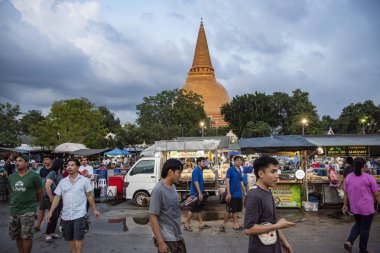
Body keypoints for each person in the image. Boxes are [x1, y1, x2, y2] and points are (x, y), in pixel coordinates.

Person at [46, 158, 100, 253]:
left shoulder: (84, 181)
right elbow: (57, 197)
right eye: (68, 165)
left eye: (72, 165)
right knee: (69, 238)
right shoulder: (63, 182)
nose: (69, 167)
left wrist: (95, 210)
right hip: (66, 215)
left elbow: (89, 196)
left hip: (79, 214)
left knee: (78, 238)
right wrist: (50, 212)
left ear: (78, 167)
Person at [244, 156, 295, 253]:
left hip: (274, 247)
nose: (277, 175)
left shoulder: (267, 191)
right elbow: (248, 229)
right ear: (261, 174)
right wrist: (278, 226)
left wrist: (284, 242)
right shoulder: (254, 195)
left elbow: (273, 222)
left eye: (277, 171)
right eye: (273, 172)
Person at [342, 157, 380, 253]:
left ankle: (349, 241)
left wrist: (345, 205)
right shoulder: (369, 177)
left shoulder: (348, 177)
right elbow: (377, 194)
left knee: (358, 224)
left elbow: (346, 193)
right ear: (363, 166)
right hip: (367, 208)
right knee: (365, 229)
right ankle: (362, 250)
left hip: (355, 208)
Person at [149, 158, 187, 253]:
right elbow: (152, 216)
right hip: (167, 238)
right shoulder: (158, 190)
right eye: (178, 173)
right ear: (170, 172)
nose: (180, 176)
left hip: (177, 234)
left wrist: (185, 203)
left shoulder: (173, 186)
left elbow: (173, 206)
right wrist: (161, 243)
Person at [7, 154, 43, 253]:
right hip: (14, 210)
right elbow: (10, 190)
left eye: (20, 161)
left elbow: (40, 191)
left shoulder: (34, 176)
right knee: (18, 236)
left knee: (26, 236)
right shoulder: (12, 177)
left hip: (28, 210)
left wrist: (33, 202)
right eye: (16, 161)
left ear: (26, 163)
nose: (17, 163)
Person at [220, 156, 246, 232]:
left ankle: (235, 224)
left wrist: (244, 192)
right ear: (234, 161)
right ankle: (224, 224)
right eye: (237, 160)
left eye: (240, 160)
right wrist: (228, 193)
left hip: (238, 194)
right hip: (232, 193)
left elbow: (241, 182)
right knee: (229, 210)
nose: (239, 162)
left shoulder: (240, 170)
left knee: (236, 210)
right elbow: (227, 181)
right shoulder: (230, 170)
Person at [184, 157, 210, 231]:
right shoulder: (196, 170)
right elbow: (196, 182)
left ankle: (201, 224)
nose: (204, 163)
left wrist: (202, 191)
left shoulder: (200, 170)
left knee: (198, 209)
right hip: (194, 194)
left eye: (204, 161)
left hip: (198, 193)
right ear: (198, 162)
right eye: (203, 161)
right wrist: (199, 193)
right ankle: (186, 225)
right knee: (192, 209)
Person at [44, 158, 64, 242]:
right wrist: (50, 197)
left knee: (56, 216)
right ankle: (48, 234)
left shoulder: (59, 174)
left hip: (59, 198)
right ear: (60, 165)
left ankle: (52, 233)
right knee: (53, 216)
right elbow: (47, 185)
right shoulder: (53, 173)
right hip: (53, 198)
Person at [35, 154, 53, 231]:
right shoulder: (42, 170)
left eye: (46, 159)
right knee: (41, 209)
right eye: (44, 160)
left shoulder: (53, 170)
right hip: (44, 192)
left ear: (51, 160)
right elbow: (39, 179)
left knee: (52, 211)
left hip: (52, 193)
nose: (45, 161)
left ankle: (50, 228)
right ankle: (37, 225)